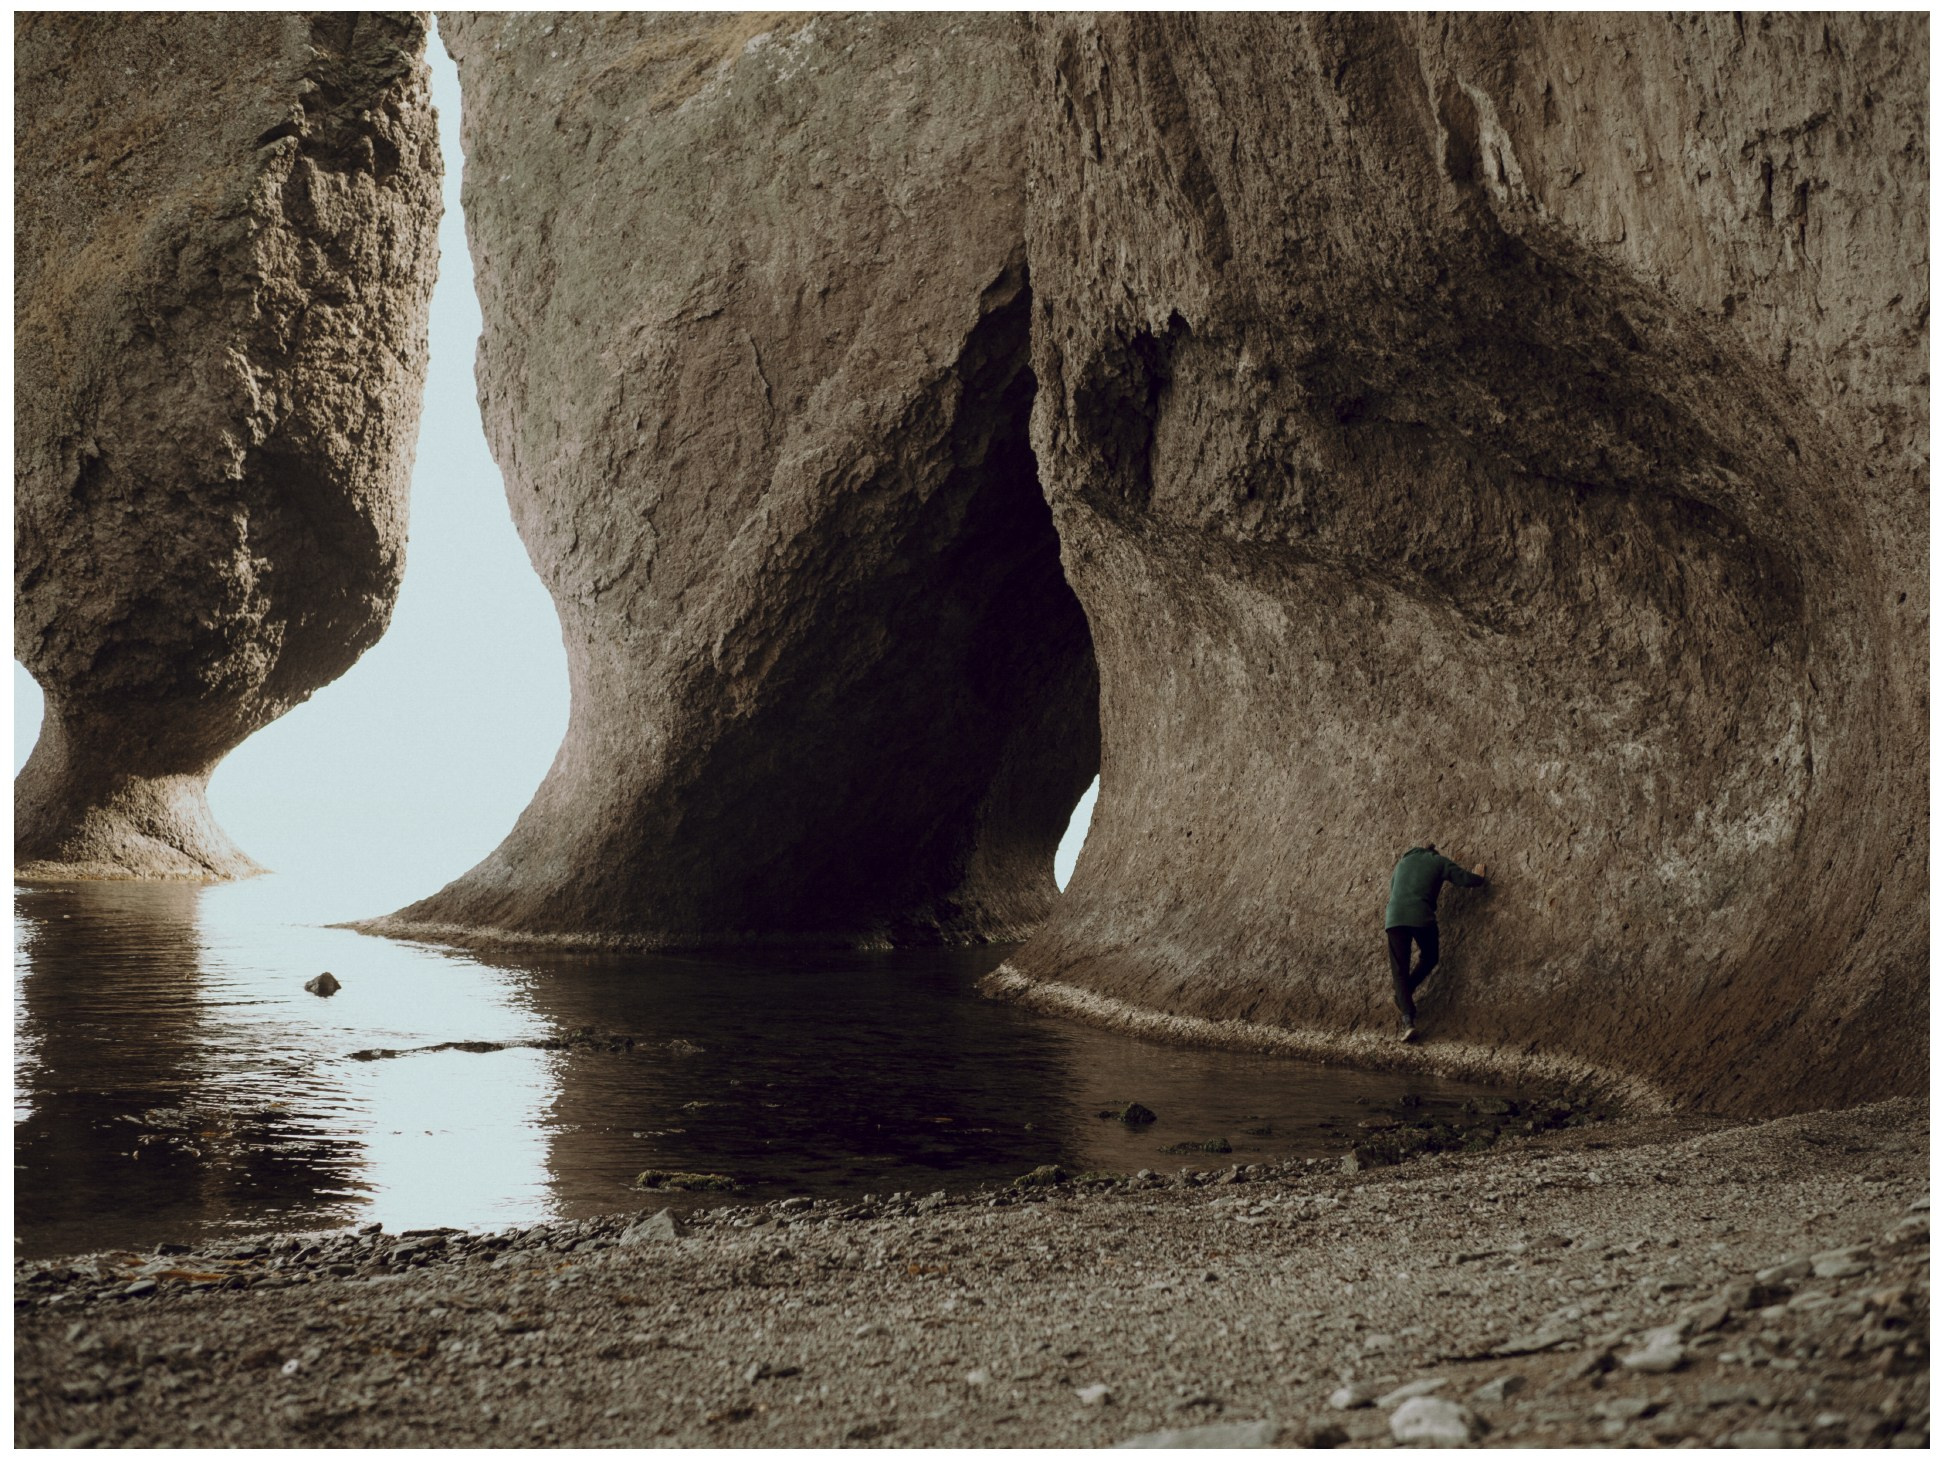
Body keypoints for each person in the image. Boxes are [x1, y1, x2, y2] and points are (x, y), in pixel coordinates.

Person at [1385, 843, 1487, 1042]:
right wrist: (1479, 878)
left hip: (1394, 918)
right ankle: (1405, 994)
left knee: (1399, 970)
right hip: (1420, 917)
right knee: (1430, 956)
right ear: (1433, 852)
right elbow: (1463, 879)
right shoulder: (1437, 861)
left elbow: (1393, 890)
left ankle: (1408, 1021)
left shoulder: (1402, 863)